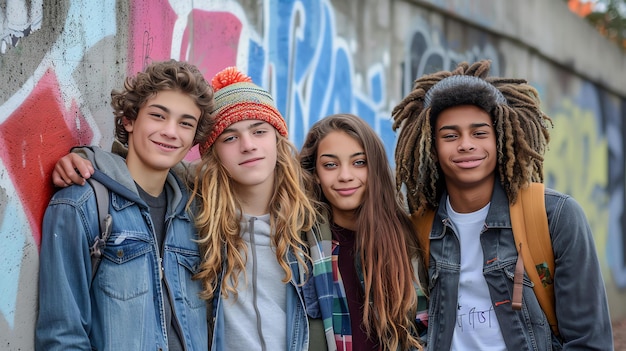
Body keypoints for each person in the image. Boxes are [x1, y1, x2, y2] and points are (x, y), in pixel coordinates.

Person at [391, 59, 613, 350]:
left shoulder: (555, 216)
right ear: (431, 145)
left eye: (480, 133)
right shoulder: (421, 226)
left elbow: (589, 342)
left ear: (502, 137)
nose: (466, 144)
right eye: (450, 135)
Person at [36, 59, 214, 351]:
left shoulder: (195, 214)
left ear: (194, 137)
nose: (171, 131)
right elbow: (62, 336)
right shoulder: (81, 205)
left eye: (186, 123)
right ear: (130, 119)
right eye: (158, 116)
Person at [190, 66, 327, 350]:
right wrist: (82, 157)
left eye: (259, 131)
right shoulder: (194, 214)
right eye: (230, 137)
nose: (248, 145)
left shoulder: (313, 221)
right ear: (212, 152)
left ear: (277, 139)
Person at [299, 113, 428, 351]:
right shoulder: (302, 246)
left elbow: (424, 326)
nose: (345, 176)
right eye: (330, 165)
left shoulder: (405, 238)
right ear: (315, 174)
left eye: (359, 162)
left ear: (375, 168)